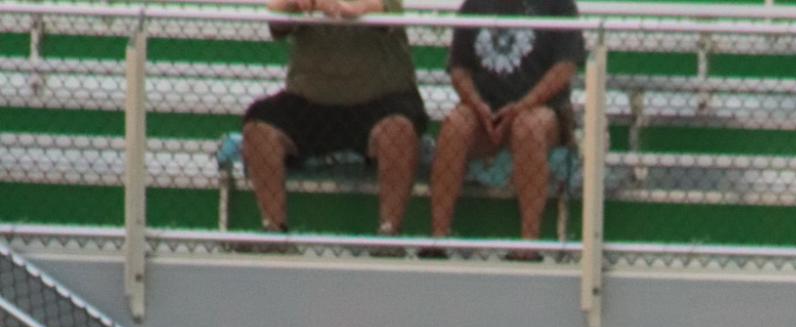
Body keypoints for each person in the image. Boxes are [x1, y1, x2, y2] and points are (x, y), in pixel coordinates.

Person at [242, 0, 427, 241]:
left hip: (379, 99)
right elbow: (277, 21)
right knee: (259, 124)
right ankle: (274, 229)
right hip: (311, 101)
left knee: (399, 127)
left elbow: (390, 11)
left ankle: (389, 232)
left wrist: (357, 9)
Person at [429, 0, 585, 256]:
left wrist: (522, 105)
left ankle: (528, 242)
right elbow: (459, 67)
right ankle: (438, 237)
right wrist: (477, 104)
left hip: (541, 109)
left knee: (528, 128)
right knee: (455, 126)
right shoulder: (474, 5)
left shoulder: (558, 5)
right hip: (485, 111)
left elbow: (565, 66)